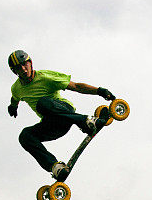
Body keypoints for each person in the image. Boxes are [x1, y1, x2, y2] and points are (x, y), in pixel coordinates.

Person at [7, 50, 116, 182]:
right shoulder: (16, 88)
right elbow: (15, 98)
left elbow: (76, 86)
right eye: (19, 68)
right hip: (54, 126)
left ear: (30, 63)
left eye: (25, 65)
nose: (24, 70)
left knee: (42, 104)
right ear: (15, 72)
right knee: (25, 136)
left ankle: (86, 121)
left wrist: (99, 91)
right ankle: (55, 167)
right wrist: (13, 107)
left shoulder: (46, 77)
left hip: (64, 110)